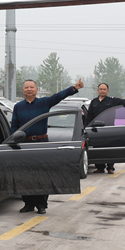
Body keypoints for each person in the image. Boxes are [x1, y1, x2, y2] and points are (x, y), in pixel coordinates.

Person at [10, 78, 84, 214]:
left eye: (32, 87)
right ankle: (28, 203)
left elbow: (59, 96)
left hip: (41, 143)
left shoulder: (44, 102)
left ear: (36, 89)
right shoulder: (18, 106)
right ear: (23, 90)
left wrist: (74, 88)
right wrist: (12, 141)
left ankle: (41, 204)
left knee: (42, 174)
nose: (29, 89)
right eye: (26, 87)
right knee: (25, 175)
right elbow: (14, 125)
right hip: (24, 144)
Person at [86, 83, 125, 173]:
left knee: (109, 147)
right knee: (98, 148)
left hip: (108, 128)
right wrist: (87, 127)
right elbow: (89, 115)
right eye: (101, 89)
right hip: (96, 129)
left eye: (104, 89)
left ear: (107, 91)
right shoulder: (94, 102)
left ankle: (110, 167)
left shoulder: (112, 101)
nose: (102, 91)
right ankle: (100, 168)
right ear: (98, 90)